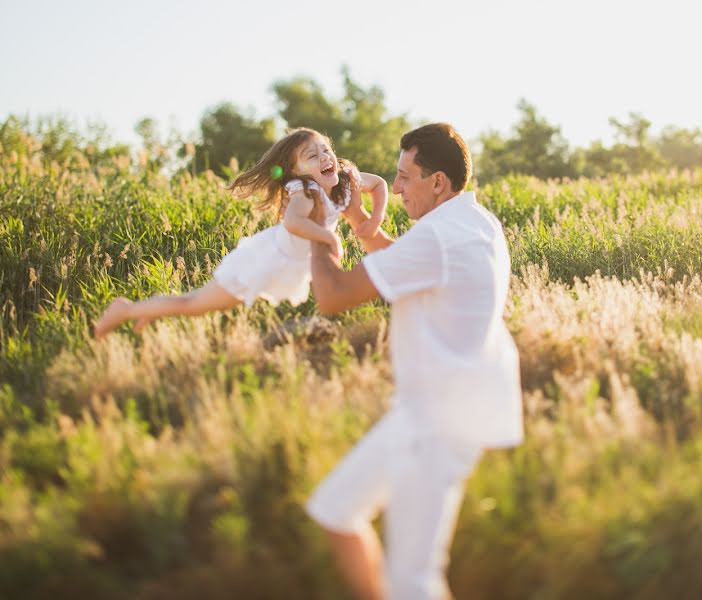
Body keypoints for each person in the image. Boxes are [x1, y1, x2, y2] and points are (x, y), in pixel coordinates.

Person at [306, 123, 523, 600]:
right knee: (336, 509)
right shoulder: (472, 222)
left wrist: (318, 229)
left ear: (438, 182)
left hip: (439, 424)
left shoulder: (438, 238)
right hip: (428, 413)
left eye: (405, 177)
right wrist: (364, 225)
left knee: (414, 579)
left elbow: (333, 295)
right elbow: (411, 262)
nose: (396, 188)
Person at [93, 127, 387, 339]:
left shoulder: (344, 179)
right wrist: (330, 237)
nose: (325, 157)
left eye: (326, 149)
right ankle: (126, 310)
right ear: (295, 172)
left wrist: (375, 220)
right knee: (196, 305)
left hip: (288, 265)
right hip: (265, 261)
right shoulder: (304, 191)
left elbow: (379, 186)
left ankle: (151, 309)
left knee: (194, 305)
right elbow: (294, 223)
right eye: (312, 156)